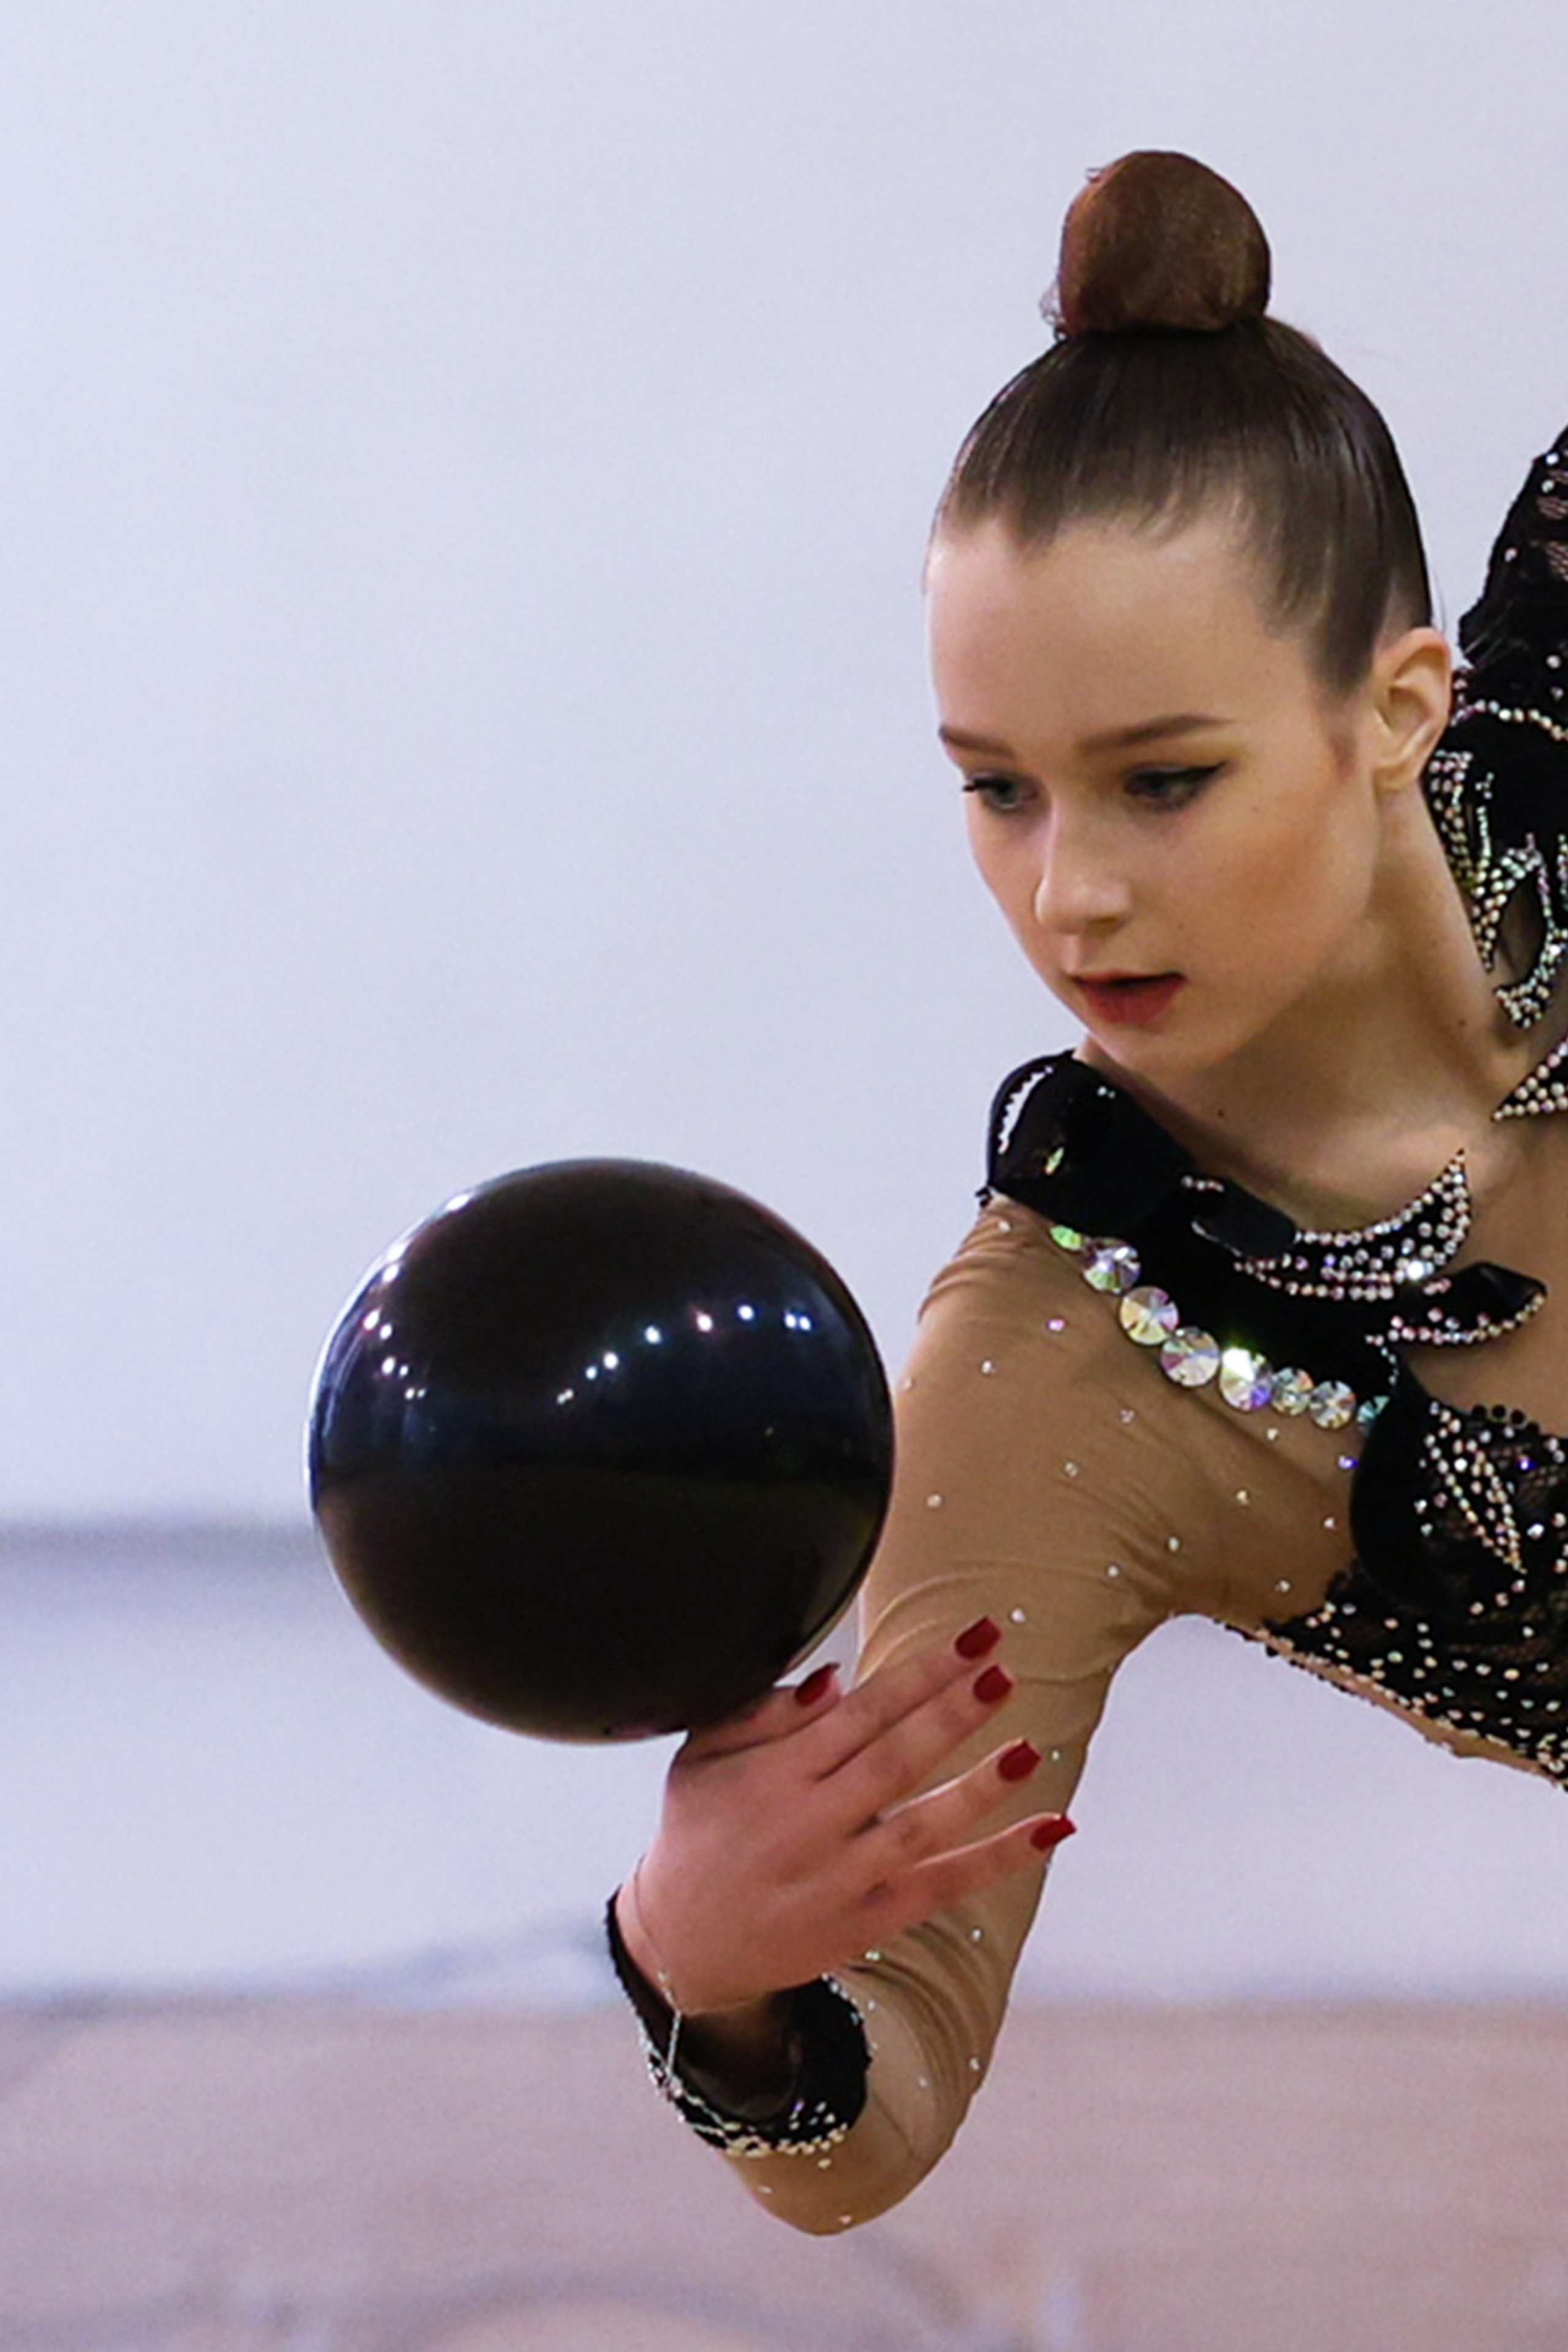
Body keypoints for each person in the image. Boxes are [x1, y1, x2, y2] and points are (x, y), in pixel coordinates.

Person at [605, 149, 1568, 2233]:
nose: (1073, 893)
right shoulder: (1063, 1373)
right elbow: (875, 2106)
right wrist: (713, 1968)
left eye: (1163, 777)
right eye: (998, 787)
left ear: (1398, 710)